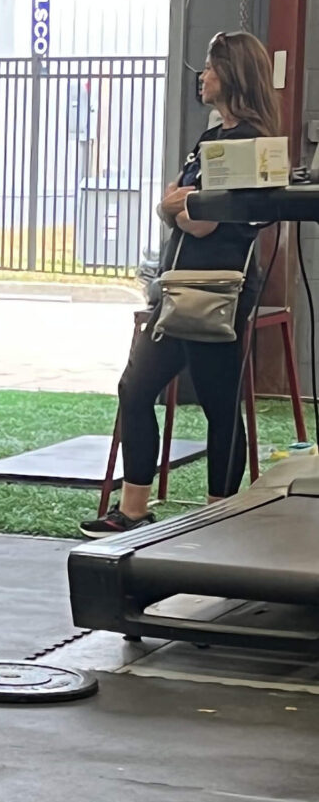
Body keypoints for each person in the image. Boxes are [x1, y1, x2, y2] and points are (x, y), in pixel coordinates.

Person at [80, 30, 282, 537]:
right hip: (180, 287)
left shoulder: (242, 143)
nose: (202, 77)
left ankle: (218, 513)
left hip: (217, 291)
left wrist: (174, 205)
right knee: (137, 386)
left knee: (217, 402)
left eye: (211, 68)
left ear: (231, 75)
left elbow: (199, 218)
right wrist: (175, 205)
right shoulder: (214, 138)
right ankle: (133, 509)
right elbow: (178, 203)